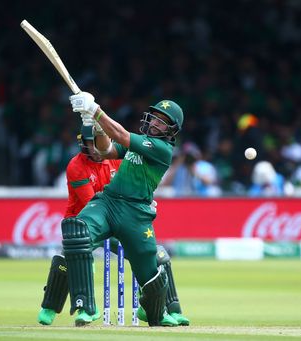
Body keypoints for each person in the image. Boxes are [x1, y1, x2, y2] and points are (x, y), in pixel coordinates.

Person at [37, 125, 189, 326]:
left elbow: (135, 184)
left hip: (120, 220)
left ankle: (169, 308)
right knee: (71, 252)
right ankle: (63, 307)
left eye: (96, 143)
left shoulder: (117, 157)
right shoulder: (76, 166)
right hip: (88, 220)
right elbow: (93, 202)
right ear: (83, 144)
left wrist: (143, 200)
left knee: (156, 255)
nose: (94, 149)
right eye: (90, 144)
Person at [64, 92, 184, 327]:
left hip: (136, 214)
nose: (155, 123)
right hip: (108, 202)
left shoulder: (161, 149)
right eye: (154, 117)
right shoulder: (140, 141)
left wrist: (95, 110)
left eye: (162, 121)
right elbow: (104, 151)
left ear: (171, 130)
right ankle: (86, 307)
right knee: (78, 231)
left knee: (150, 273)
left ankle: (157, 312)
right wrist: (96, 127)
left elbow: (120, 134)